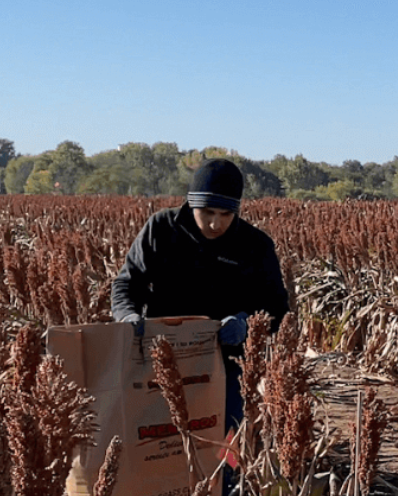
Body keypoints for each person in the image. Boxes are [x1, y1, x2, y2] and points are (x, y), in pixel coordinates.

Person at [111, 157, 289, 492]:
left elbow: (278, 308)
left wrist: (248, 324)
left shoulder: (255, 245)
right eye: (207, 212)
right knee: (159, 441)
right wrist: (128, 317)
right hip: (161, 359)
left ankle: (226, 487)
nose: (215, 223)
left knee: (227, 442)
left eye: (225, 214)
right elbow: (127, 284)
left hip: (227, 364)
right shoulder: (161, 229)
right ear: (192, 203)